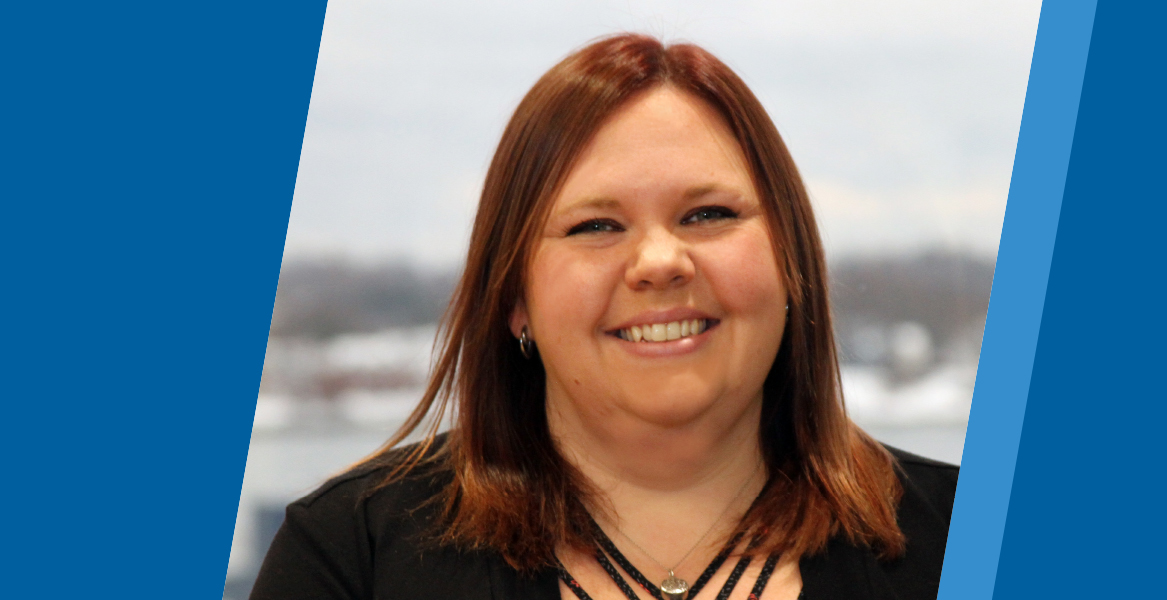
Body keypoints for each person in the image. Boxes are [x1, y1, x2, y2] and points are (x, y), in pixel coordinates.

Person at [249, 34, 957, 600]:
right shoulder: (350, 557)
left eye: (707, 214)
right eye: (595, 226)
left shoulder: (968, 539)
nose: (659, 260)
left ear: (791, 260)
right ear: (514, 298)